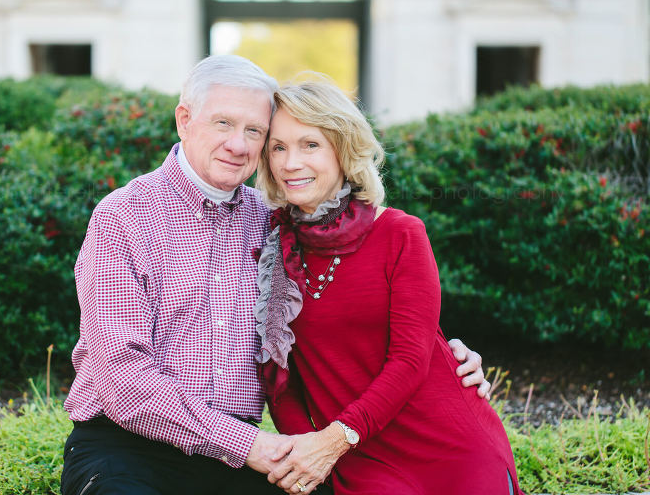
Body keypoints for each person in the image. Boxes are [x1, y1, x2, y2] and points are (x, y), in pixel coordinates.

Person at [60, 55, 491, 495]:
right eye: (223, 123)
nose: (238, 145)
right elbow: (123, 377)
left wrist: (447, 352)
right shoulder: (123, 216)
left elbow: (347, 305)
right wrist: (253, 445)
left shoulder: (273, 224)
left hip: (234, 459)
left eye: (255, 132)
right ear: (184, 120)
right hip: (127, 450)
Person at [254, 78, 522, 495]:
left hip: (449, 444)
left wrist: (332, 440)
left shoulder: (400, 233)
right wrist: (305, 449)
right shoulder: (270, 247)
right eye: (278, 147)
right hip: (362, 461)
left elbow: (411, 359)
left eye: (310, 145)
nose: (290, 163)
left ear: (343, 150)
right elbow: (278, 375)